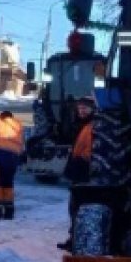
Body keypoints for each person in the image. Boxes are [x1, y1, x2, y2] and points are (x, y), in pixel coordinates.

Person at [58, 96, 96, 249]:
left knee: (79, 206)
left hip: (84, 170)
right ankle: (73, 239)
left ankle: (77, 240)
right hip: (79, 169)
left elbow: (89, 151)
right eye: (79, 108)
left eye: (85, 108)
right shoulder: (82, 126)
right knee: (74, 206)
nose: (82, 111)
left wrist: (81, 162)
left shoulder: (93, 127)